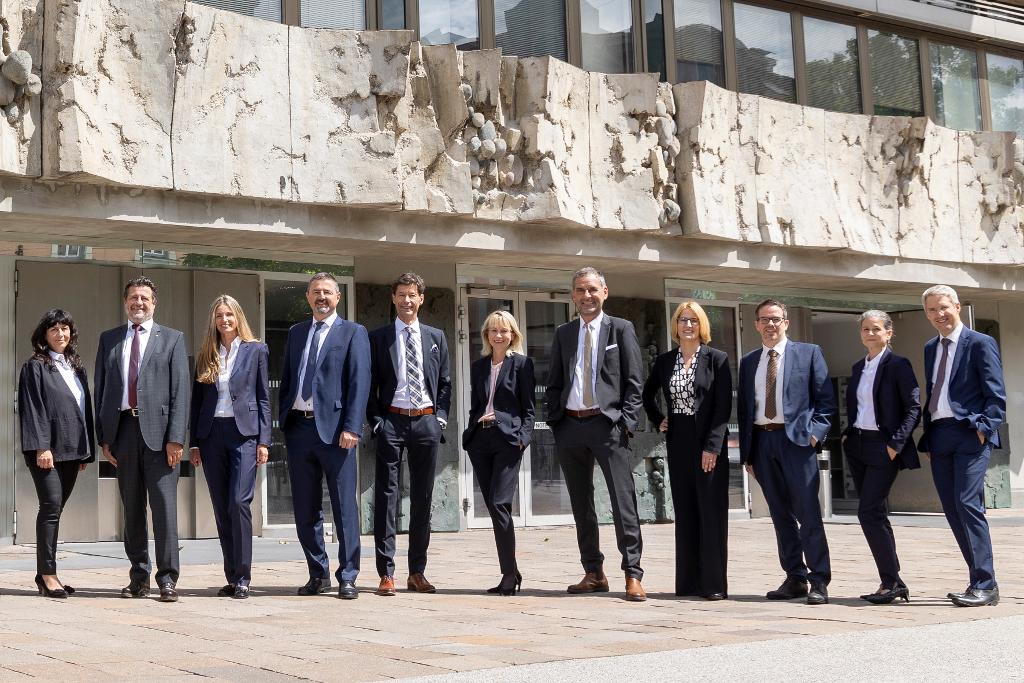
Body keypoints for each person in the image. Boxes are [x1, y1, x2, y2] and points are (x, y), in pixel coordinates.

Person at [545, 266, 646, 602]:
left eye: (591, 290)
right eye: (579, 290)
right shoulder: (563, 333)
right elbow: (556, 381)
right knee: (581, 503)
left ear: (604, 291)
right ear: (572, 295)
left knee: (622, 501)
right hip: (571, 426)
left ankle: (633, 573)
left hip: (608, 426)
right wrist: (556, 420)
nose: (585, 296)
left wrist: (625, 422)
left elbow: (634, 382)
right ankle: (593, 572)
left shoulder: (621, 329)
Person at [94, 276, 190, 603]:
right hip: (122, 434)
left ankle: (167, 579)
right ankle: (139, 577)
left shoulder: (173, 340)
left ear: (154, 302)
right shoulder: (109, 340)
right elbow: (103, 391)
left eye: (144, 298)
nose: (139, 302)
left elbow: (181, 393)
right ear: (125, 303)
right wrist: (104, 438)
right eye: (133, 297)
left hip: (161, 439)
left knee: (164, 511)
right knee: (132, 511)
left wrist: (176, 438)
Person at [279, 273, 370, 600]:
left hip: (337, 433)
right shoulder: (296, 333)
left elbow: (360, 384)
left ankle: (348, 575)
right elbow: (288, 378)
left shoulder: (353, 333)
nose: (321, 297)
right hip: (299, 429)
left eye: (327, 292)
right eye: (316, 292)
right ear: (307, 297)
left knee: (345, 507)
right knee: (305, 508)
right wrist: (284, 420)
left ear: (337, 297)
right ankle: (317, 574)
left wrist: (352, 426)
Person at [737, 299, 834, 605]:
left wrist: (814, 437)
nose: (770, 324)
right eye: (764, 319)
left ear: (786, 323)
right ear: (756, 324)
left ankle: (819, 579)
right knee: (780, 515)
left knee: (808, 514)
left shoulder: (808, 354)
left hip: (797, 443)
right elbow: (744, 410)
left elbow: (825, 403)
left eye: (776, 319)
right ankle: (795, 577)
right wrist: (748, 454)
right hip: (763, 443)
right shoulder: (749, 361)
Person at [918, 285, 1006, 607]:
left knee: (968, 504)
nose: (939, 315)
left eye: (943, 307)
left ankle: (985, 583)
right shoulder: (931, 347)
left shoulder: (980, 343)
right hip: (940, 434)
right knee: (953, 509)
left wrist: (984, 428)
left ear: (956, 306)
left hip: (970, 432)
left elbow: (996, 393)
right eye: (931, 310)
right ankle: (978, 582)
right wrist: (929, 435)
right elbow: (935, 392)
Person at [367, 272, 452, 596]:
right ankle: (386, 573)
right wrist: (377, 422)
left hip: (426, 423)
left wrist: (440, 419)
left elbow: (445, 382)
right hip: (392, 422)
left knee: (423, 498)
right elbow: (369, 385)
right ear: (393, 298)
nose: (406, 300)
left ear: (421, 298)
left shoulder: (436, 337)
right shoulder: (379, 338)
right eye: (401, 295)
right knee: (386, 499)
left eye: (412, 295)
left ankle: (417, 572)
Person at [642, 301, 731, 600]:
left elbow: (722, 409)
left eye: (694, 320)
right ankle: (689, 583)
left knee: (710, 512)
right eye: (683, 320)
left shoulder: (717, 359)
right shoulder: (666, 361)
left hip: (707, 443)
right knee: (687, 512)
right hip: (678, 440)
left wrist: (712, 447)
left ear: (702, 325)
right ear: (676, 325)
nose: (688, 325)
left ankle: (713, 585)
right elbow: (647, 393)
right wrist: (659, 419)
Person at [189, 295, 271, 600]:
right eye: (219, 315)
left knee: (239, 502)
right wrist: (194, 443)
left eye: (229, 315)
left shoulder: (256, 350)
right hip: (211, 436)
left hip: (244, 435)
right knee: (222, 508)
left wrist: (264, 440)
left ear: (238, 317)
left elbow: (263, 397)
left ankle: (244, 575)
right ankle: (232, 576)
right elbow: (197, 403)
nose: (224, 320)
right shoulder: (205, 355)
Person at [843, 310, 921, 605]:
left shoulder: (898, 364)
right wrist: (849, 436)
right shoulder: (857, 367)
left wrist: (895, 444)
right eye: (866, 329)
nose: (871, 333)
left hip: (883, 446)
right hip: (858, 445)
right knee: (874, 513)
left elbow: (914, 407)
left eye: (877, 329)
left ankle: (891, 580)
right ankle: (892, 581)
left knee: (868, 511)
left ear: (889, 333)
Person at [18, 309, 96, 599]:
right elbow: (33, 408)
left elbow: (82, 410)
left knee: (56, 509)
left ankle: (43, 573)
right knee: (50, 507)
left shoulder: (76, 367)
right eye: (54, 329)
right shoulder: (35, 366)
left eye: (65, 329)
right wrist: (42, 446)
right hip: (47, 451)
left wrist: (84, 452)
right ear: (44, 334)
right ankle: (48, 575)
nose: (60, 334)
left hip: (72, 451)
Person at [462, 310, 535, 596]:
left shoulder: (521, 364)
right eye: (493, 330)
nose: (499, 335)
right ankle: (512, 570)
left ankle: (508, 573)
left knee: (499, 502)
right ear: (487, 335)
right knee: (493, 506)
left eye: (504, 330)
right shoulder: (478, 366)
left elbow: (529, 408)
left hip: (508, 440)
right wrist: (470, 434)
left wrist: (522, 439)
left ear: (513, 335)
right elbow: (476, 404)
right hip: (481, 439)